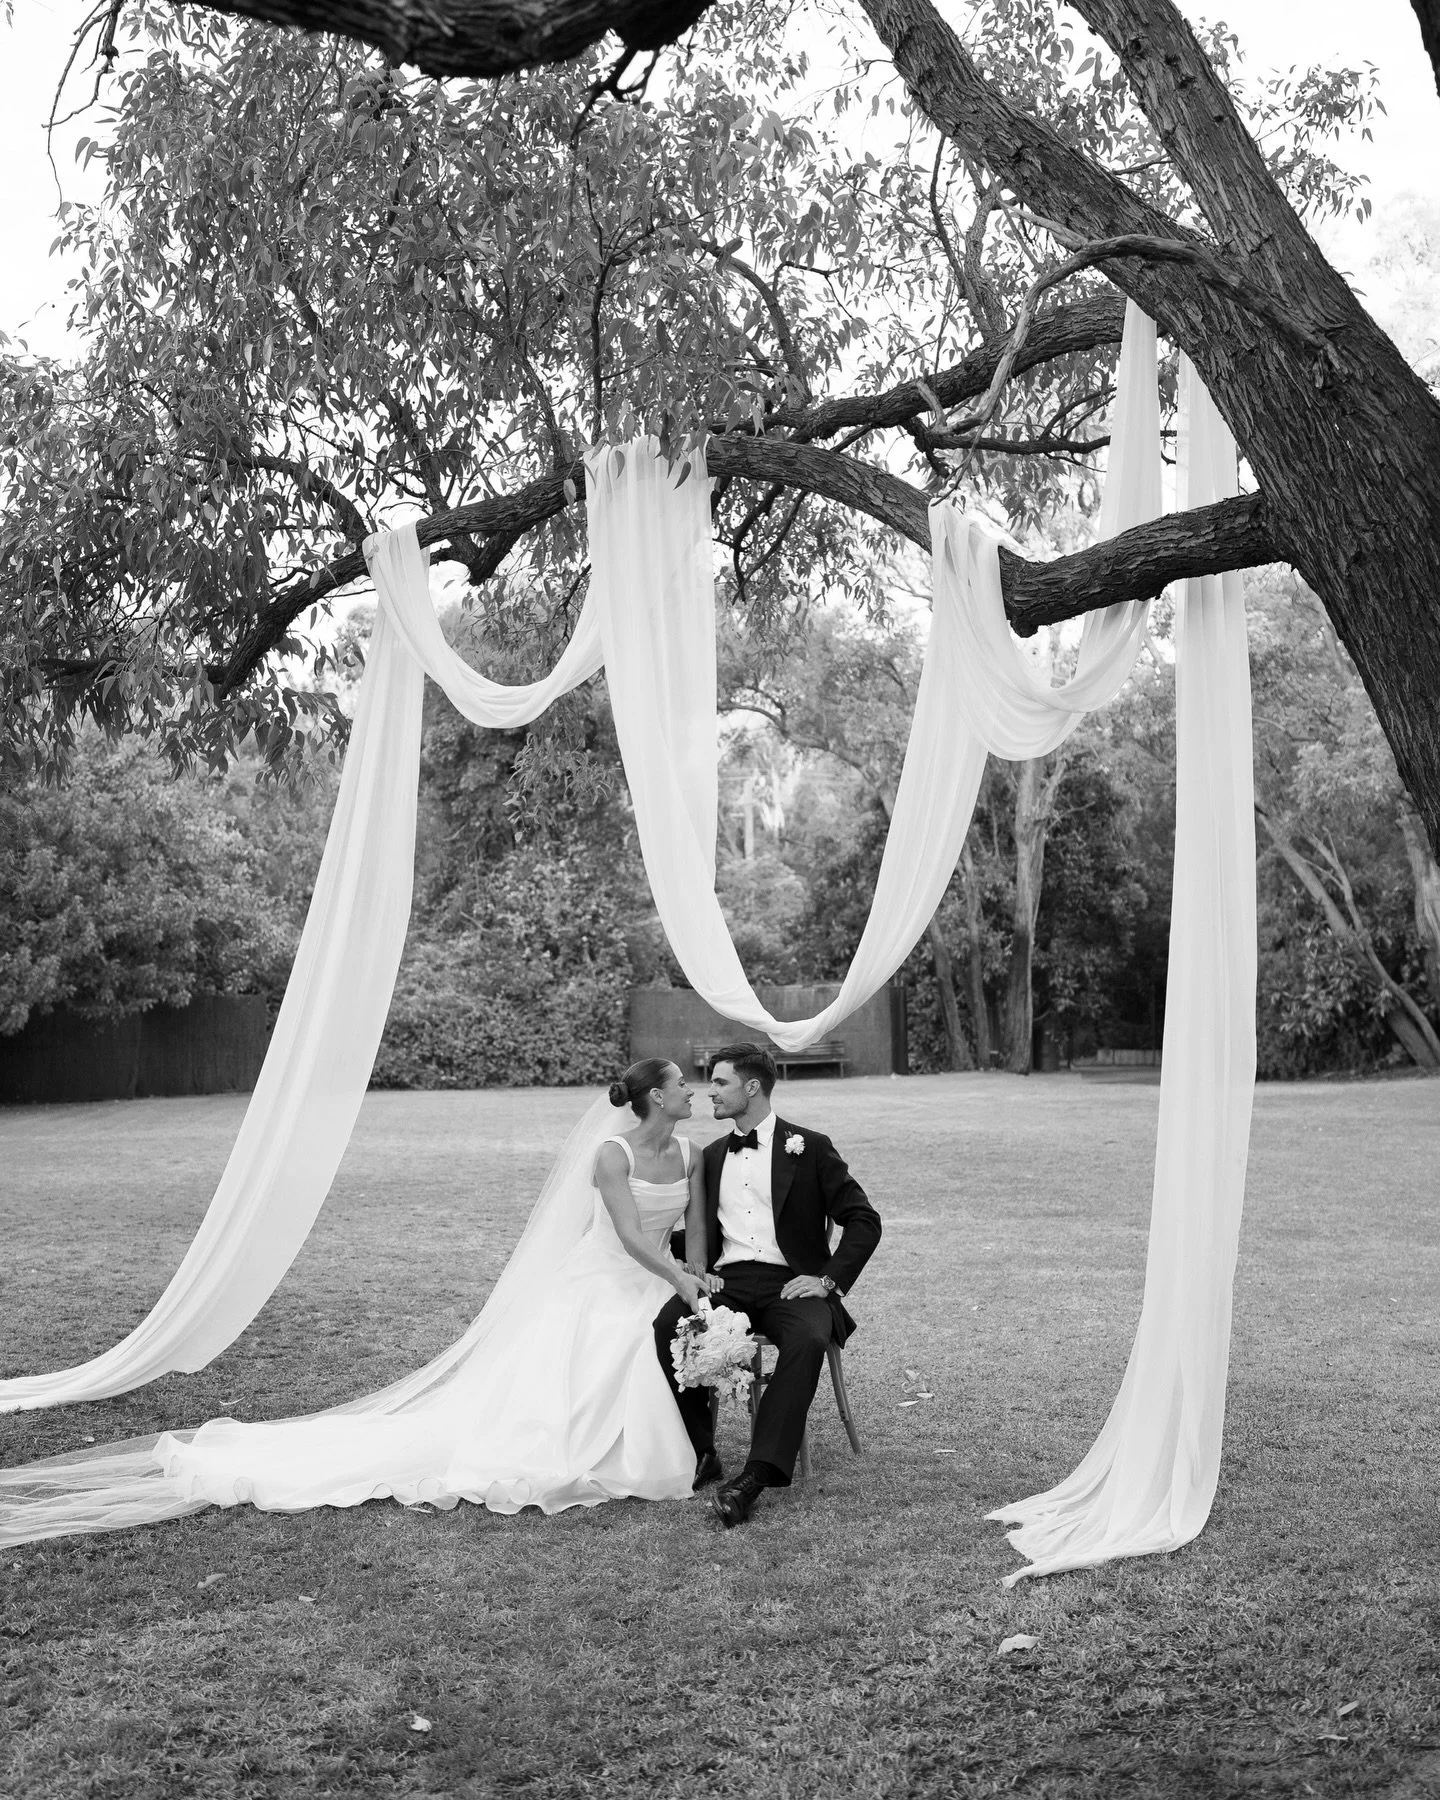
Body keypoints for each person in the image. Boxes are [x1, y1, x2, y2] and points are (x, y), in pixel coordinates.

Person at [0, 1060, 721, 1545]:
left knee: (664, 1329)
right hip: (606, 1274)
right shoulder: (612, 1155)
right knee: (619, 1335)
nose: (692, 1094)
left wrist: (692, 1274)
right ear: (656, 1099)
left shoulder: (689, 1153)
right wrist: (678, 1280)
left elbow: (689, 1228)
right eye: (683, 1087)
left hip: (658, 1274)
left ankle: (666, 1442)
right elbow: (630, 1236)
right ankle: (597, 1445)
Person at [653, 1041, 882, 1528]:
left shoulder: (810, 1147)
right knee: (668, 1323)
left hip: (791, 1283)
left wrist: (826, 1280)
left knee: (809, 1337)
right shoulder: (711, 1156)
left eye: (721, 1082)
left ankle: (755, 1476)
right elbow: (694, 1231)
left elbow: (864, 1220)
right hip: (728, 1281)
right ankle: (703, 1451)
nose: (710, 1091)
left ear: (752, 1087)